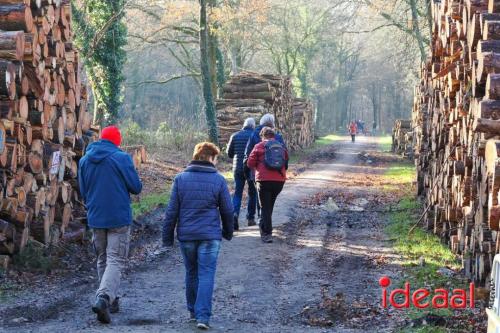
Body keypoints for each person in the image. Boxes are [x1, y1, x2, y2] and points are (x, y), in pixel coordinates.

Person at [162, 142, 233, 330]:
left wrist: (167, 237)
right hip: (210, 237)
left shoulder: (180, 179)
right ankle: (203, 316)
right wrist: (228, 231)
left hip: (187, 236)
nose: (216, 161)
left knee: (192, 272)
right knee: (206, 273)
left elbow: (172, 211)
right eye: (216, 158)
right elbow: (227, 210)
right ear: (210, 158)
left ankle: (193, 312)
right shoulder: (218, 180)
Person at [78, 126, 142, 324]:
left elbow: (83, 191)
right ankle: (104, 297)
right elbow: (136, 186)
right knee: (115, 259)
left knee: (102, 258)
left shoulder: (84, 160)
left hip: (96, 216)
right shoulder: (121, 158)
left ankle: (111, 301)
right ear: (117, 141)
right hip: (118, 217)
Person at [247, 127, 288, 243]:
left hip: (263, 180)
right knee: (269, 206)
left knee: (265, 207)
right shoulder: (281, 146)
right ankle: (263, 225)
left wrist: (257, 167)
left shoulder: (259, 146)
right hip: (279, 181)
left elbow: (250, 163)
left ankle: (267, 233)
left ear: (262, 136)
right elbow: (286, 161)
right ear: (273, 136)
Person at [226, 118, 257, 230]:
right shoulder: (255, 136)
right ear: (253, 126)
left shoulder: (235, 135)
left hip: (237, 169)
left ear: (244, 125)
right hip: (250, 168)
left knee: (238, 193)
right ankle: (250, 218)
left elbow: (229, 154)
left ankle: (235, 214)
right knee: (252, 193)